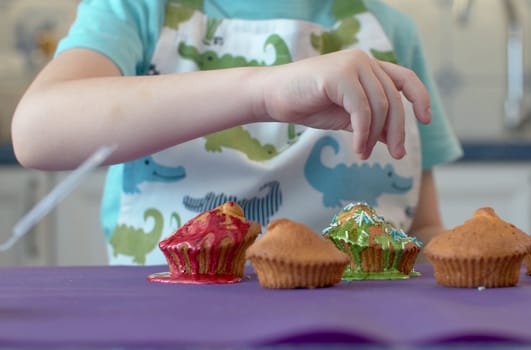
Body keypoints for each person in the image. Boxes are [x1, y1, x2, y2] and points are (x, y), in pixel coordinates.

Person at [11, 0, 463, 265]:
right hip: (163, 326)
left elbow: (421, 227)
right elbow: (37, 130)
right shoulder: (137, 11)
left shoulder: (391, 31)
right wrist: (264, 93)